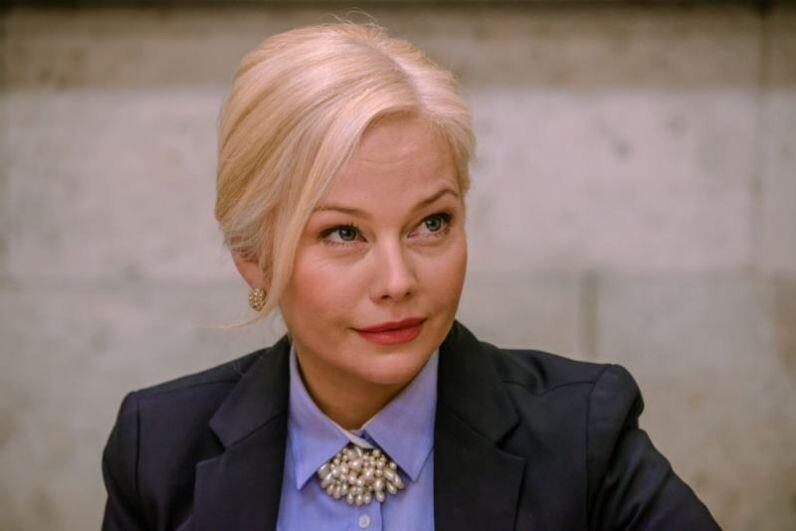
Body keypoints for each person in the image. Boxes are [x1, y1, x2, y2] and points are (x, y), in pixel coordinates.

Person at [101, 22, 721, 531]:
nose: (397, 281)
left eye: (431, 223)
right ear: (253, 255)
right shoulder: (158, 447)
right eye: (344, 233)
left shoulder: (584, 431)